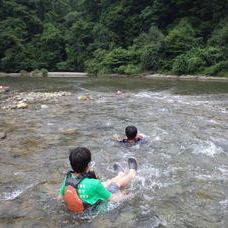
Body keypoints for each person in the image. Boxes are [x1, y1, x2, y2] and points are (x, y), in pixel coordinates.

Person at [58, 147, 137, 212]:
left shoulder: (68, 179)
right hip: (96, 208)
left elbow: (60, 197)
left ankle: (120, 174)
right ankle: (132, 173)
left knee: (105, 183)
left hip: (83, 209)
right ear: (88, 164)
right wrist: (126, 194)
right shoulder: (94, 183)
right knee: (115, 184)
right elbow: (113, 199)